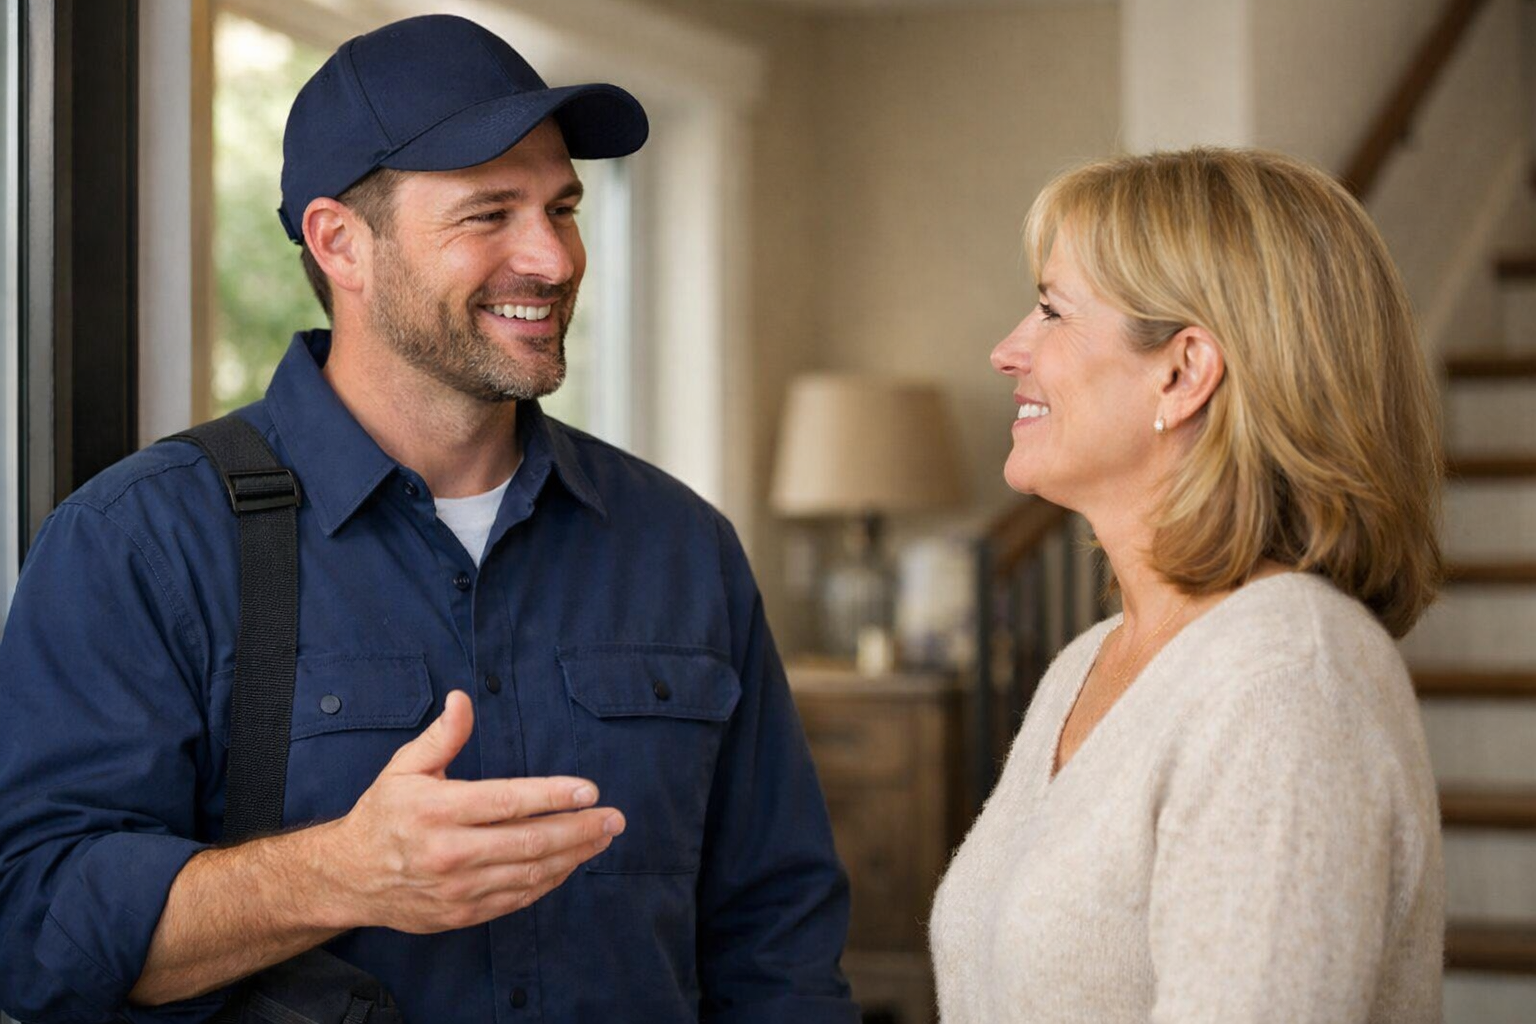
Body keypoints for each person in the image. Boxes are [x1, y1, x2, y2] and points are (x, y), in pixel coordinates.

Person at [0, 15, 855, 1024]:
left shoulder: (681, 547)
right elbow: (32, 925)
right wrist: (338, 874)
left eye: (563, 206)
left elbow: (778, 945)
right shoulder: (140, 541)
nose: (552, 257)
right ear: (340, 243)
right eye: (488, 213)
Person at [929, 148, 1446, 1023]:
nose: (1006, 350)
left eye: (1052, 310)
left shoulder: (1285, 681)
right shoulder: (1091, 661)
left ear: (1184, 371)